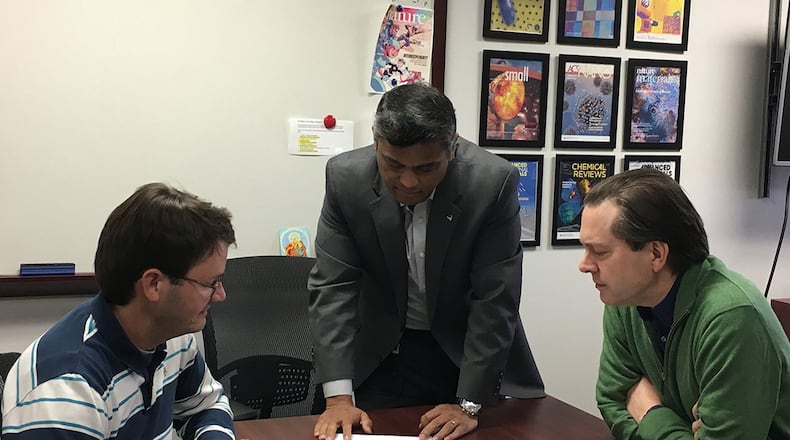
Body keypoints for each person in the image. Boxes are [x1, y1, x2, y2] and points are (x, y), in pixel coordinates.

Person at [308, 83, 544, 440]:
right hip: (379, 353)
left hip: (463, 355)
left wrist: (468, 404)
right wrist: (339, 398)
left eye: (426, 168)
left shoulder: (491, 183)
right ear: (376, 143)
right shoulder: (346, 179)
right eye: (393, 164)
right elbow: (333, 288)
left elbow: (495, 299)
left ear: (453, 148)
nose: (408, 181)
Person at [1, 183, 237, 439]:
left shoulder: (171, 336)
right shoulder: (66, 396)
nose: (221, 295)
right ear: (154, 284)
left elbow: (206, 406)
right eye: (210, 283)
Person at [578, 168, 790, 439]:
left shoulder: (732, 319)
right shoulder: (624, 300)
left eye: (599, 251)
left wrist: (649, 412)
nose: (584, 265)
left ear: (656, 254)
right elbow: (611, 399)